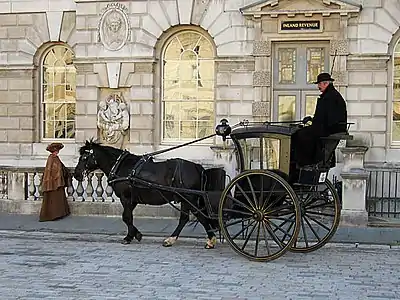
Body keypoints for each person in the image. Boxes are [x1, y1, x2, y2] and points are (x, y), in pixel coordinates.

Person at [291, 72, 347, 168]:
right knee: (304, 133)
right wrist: (312, 120)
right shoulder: (331, 95)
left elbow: (325, 119)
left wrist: (314, 123)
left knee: (299, 135)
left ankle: (303, 163)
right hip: (330, 127)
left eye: (319, 84)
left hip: (329, 129)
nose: (318, 87)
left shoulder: (329, 97)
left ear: (325, 83)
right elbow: (325, 117)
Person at [39, 142, 71, 222]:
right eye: (56, 151)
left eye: (57, 151)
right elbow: (49, 171)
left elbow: (61, 167)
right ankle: (52, 215)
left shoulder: (56, 158)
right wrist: (52, 180)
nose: (57, 152)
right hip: (53, 182)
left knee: (58, 198)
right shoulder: (51, 158)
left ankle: (59, 214)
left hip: (58, 182)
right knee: (52, 199)